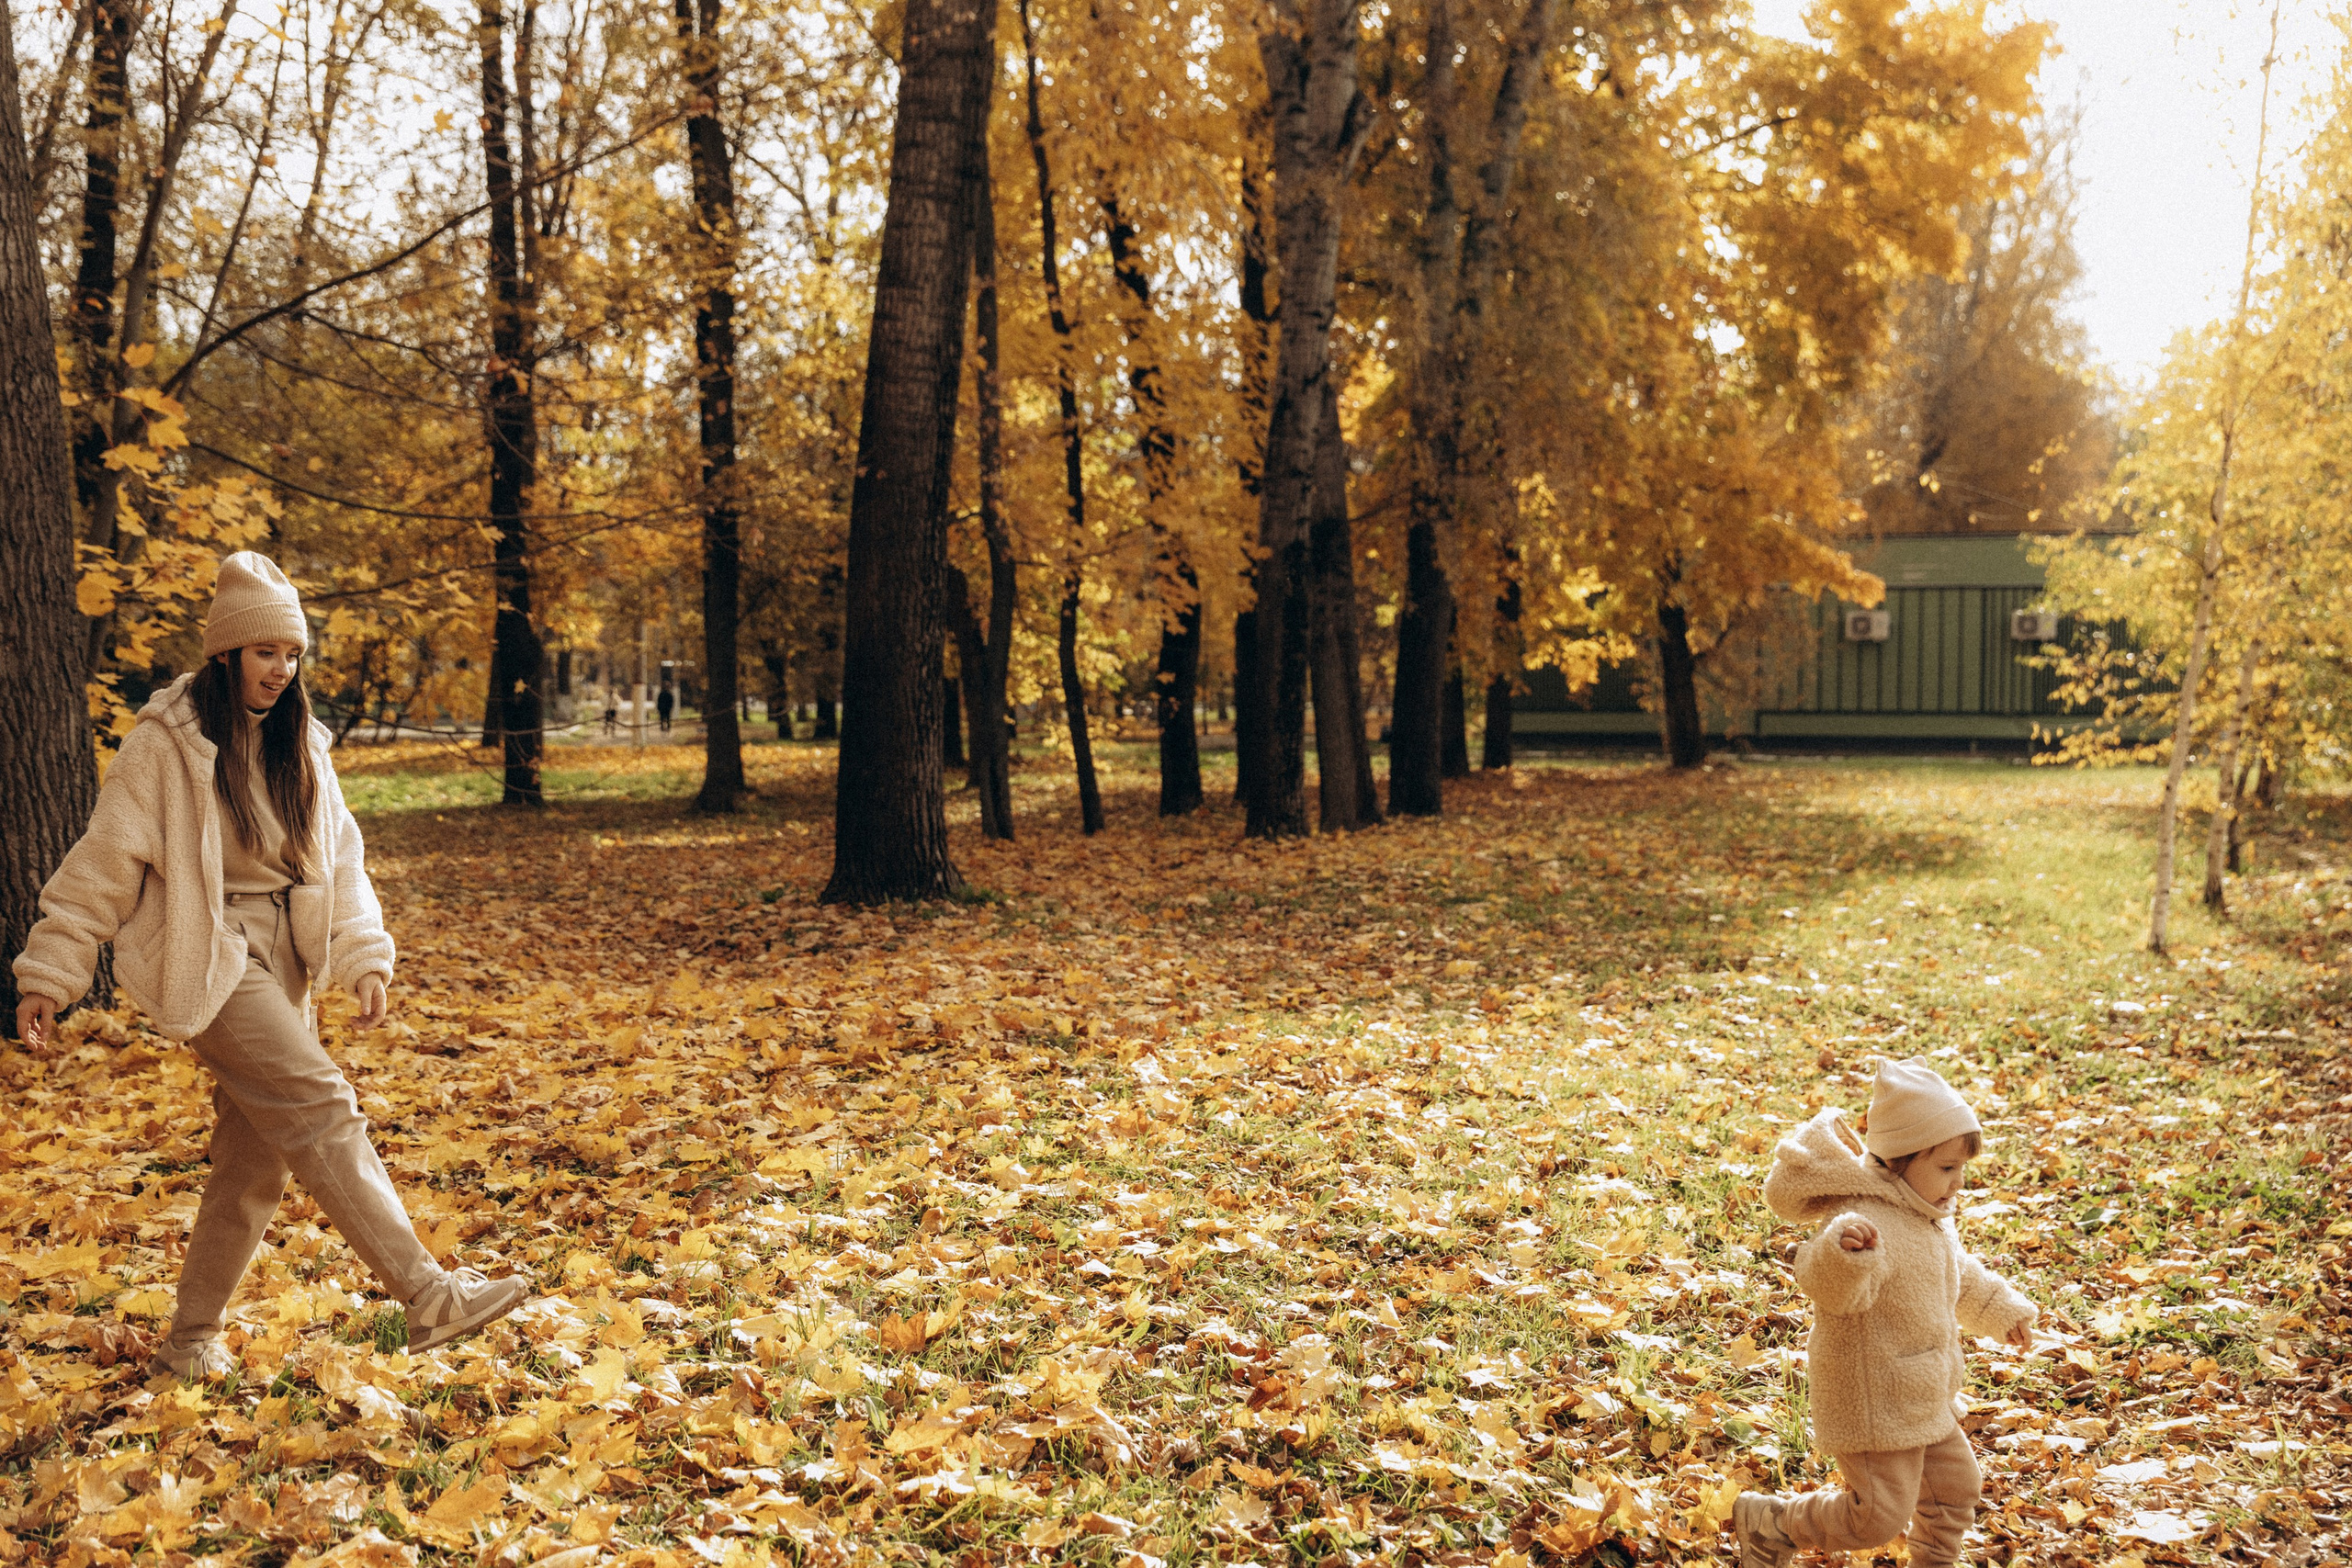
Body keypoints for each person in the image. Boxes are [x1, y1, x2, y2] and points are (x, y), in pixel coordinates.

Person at [11, 552, 533, 1379]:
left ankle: (187, 1344)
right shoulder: (168, 743)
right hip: (212, 952)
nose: (281, 671)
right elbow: (105, 860)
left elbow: (341, 857)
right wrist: (51, 969)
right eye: (265, 654)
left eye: (292, 656)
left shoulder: (301, 742)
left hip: (286, 957)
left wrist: (363, 954)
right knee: (321, 1100)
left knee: (253, 1164)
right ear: (226, 653)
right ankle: (426, 1291)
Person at [1734, 1057, 2037, 1568]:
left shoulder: (1927, 1213)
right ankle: (1774, 1523)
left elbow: (1956, 1272)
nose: (1957, 1182)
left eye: (1961, 1168)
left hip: (1924, 1389)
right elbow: (1826, 1285)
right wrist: (1847, 1255)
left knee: (1956, 1488)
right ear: (1898, 1159)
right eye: (1946, 1167)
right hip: (1872, 1397)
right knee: (1876, 1517)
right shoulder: (1863, 1217)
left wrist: (2001, 1309)